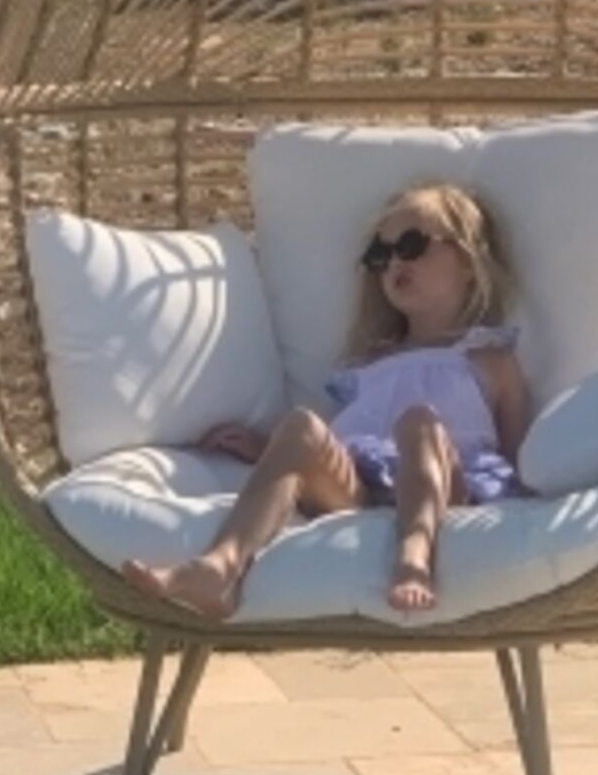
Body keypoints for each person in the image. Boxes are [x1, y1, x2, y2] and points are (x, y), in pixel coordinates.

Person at [123, 183, 530, 620]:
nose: (395, 262)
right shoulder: (369, 364)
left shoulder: (487, 358)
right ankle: (220, 566)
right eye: (381, 254)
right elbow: (343, 439)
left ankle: (414, 559)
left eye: (411, 246)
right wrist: (264, 448)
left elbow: (520, 456)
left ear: (467, 260)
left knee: (418, 421)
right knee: (301, 424)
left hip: (447, 486)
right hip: (360, 487)